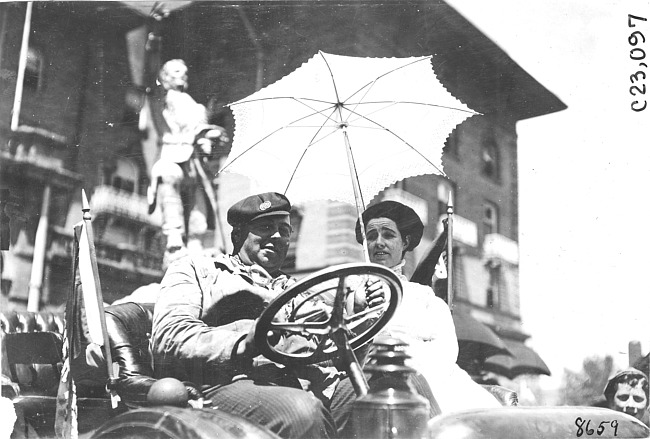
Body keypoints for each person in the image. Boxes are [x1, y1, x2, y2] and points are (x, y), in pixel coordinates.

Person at [151, 192, 357, 439]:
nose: (278, 236)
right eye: (266, 227)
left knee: (377, 394)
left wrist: (357, 312)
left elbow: (333, 348)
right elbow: (170, 336)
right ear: (238, 235)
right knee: (301, 410)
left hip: (304, 382)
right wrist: (245, 342)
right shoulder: (198, 270)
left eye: (285, 230)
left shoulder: (298, 289)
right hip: (227, 381)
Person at [355, 200, 502, 413]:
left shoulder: (423, 296)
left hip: (435, 379)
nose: (378, 242)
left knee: (482, 417)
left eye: (388, 235)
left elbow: (445, 353)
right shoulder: (350, 287)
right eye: (371, 236)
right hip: (375, 377)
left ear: (405, 242)